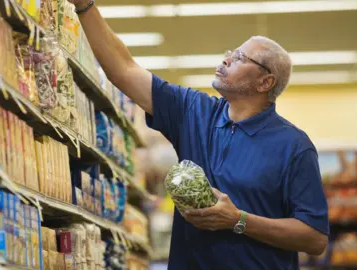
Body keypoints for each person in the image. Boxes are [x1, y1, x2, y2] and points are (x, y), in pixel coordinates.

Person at [68, 1, 329, 269]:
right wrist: (85, 7)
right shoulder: (194, 111)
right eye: (230, 52)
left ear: (265, 82)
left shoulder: (294, 146)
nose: (226, 59)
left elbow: (315, 238)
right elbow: (124, 70)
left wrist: (238, 220)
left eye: (240, 58)